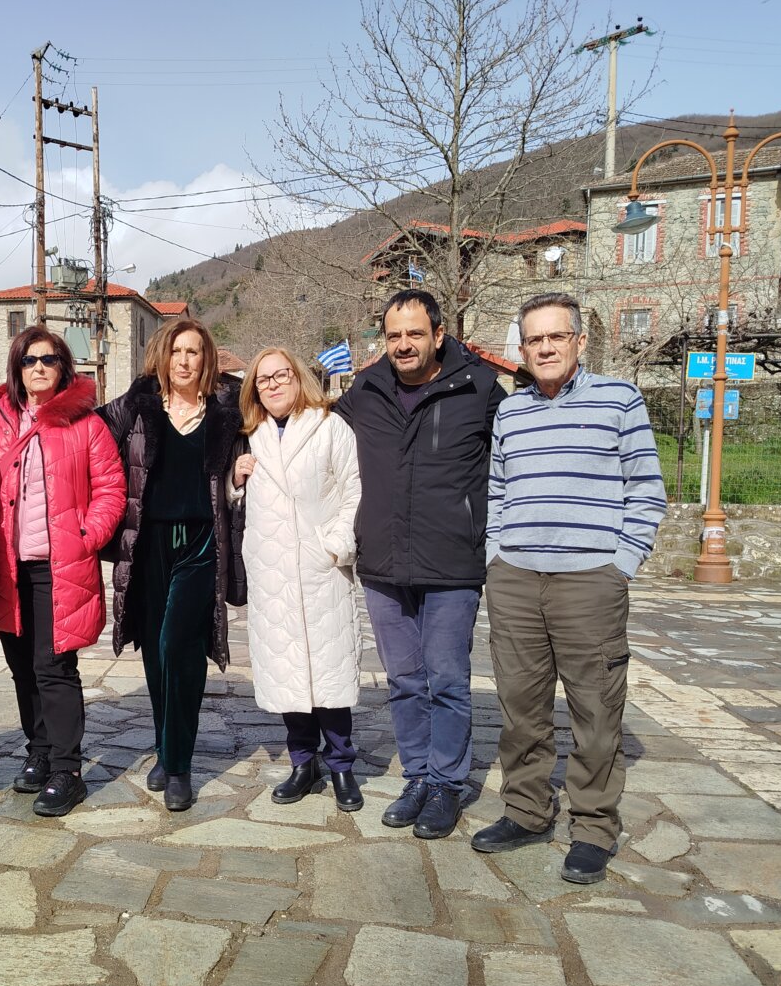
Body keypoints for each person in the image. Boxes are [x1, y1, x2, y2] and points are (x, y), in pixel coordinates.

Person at [472, 292, 667, 884]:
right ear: (523, 348)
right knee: (521, 710)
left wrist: (620, 564)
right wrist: (496, 555)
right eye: (534, 339)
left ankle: (593, 829)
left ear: (579, 341)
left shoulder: (619, 399)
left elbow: (646, 489)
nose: (545, 348)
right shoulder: (511, 412)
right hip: (515, 580)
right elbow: (498, 490)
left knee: (596, 712)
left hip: (591, 582)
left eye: (556, 336)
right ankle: (527, 812)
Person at [333, 288, 505, 840]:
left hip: (452, 563)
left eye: (414, 333)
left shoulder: (479, 388)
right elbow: (319, 441)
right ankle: (418, 778)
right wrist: (249, 452)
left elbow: (514, 459)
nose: (403, 344)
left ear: (438, 334)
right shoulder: (366, 389)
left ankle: (446, 785)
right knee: (405, 681)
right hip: (383, 563)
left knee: (448, 680)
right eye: (393, 335)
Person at [0, 327, 126, 817]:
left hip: (59, 565)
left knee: (55, 667)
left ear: (63, 367)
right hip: (7, 563)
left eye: (48, 359)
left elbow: (111, 488)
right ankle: (38, 752)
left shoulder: (85, 424)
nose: (38, 367)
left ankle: (67, 770)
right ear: (16, 368)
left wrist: (87, 535)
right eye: (29, 360)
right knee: (22, 666)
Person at [100, 318, 245, 812]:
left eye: (194, 352)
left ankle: (179, 766)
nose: (184, 361)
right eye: (177, 351)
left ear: (207, 360)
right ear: (163, 357)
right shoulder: (136, 406)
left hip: (200, 543)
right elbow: (87, 432)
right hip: (147, 544)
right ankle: (165, 748)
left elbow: (272, 423)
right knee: (155, 653)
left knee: (178, 645)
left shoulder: (227, 412)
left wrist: (239, 473)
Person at [232, 347, 364, 812]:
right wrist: (235, 478)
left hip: (320, 569)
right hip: (273, 572)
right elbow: (229, 498)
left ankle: (342, 764)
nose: (272, 385)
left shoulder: (330, 427)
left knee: (329, 670)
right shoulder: (250, 436)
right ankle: (302, 762)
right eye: (262, 379)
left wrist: (336, 544)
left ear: (298, 377)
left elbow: (354, 489)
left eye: (280, 375)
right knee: (289, 670)